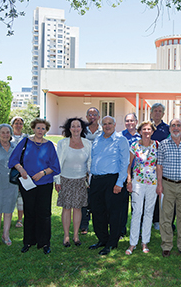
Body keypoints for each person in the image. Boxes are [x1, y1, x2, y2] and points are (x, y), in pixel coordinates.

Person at [8, 118, 60, 255]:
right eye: (38, 128)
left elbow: (55, 166)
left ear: (46, 130)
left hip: (45, 183)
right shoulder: (25, 142)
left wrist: (42, 173)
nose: (40, 131)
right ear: (33, 128)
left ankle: (45, 243)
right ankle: (28, 241)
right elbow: (13, 159)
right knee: (29, 212)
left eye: (43, 128)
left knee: (44, 213)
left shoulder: (49, 145)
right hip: (28, 183)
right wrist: (21, 170)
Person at [88, 116, 129, 256]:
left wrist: (119, 183)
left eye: (109, 123)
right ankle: (102, 239)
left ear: (115, 124)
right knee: (98, 211)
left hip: (113, 180)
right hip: (96, 180)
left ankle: (112, 243)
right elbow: (93, 160)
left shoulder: (121, 140)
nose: (107, 126)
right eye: (104, 124)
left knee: (114, 213)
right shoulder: (97, 139)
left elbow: (125, 163)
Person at [156, 118, 181, 258]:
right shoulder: (163, 144)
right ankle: (166, 244)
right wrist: (159, 184)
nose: (176, 128)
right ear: (169, 128)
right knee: (166, 215)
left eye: (178, 125)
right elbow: (159, 165)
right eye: (173, 125)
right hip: (167, 184)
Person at [54, 117, 91, 248]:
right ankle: (66, 236)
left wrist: (89, 179)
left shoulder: (87, 143)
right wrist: (57, 180)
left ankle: (76, 235)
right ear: (69, 129)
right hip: (65, 179)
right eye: (73, 126)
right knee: (66, 208)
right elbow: (57, 162)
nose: (76, 128)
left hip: (81, 180)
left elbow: (90, 163)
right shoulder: (63, 143)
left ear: (82, 128)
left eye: (78, 126)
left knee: (78, 208)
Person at [125, 121, 158, 255]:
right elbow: (129, 164)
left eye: (149, 129)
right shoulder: (134, 146)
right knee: (137, 212)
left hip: (152, 183)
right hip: (137, 182)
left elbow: (159, 165)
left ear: (152, 131)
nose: (146, 131)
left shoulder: (157, 145)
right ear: (140, 131)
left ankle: (145, 242)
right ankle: (132, 243)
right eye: (144, 129)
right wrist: (129, 180)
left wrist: (160, 183)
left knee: (149, 212)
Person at [81, 107, 103, 235]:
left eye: (95, 114)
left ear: (98, 117)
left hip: (99, 168)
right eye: (90, 114)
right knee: (84, 198)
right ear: (87, 117)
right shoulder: (82, 130)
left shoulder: (103, 130)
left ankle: (98, 224)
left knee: (97, 198)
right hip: (83, 168)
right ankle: (84, 225)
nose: (92, 117)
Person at [120, 113, 141, 239]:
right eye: (127, 121)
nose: (129, 123)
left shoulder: (141, 136)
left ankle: (136, 231)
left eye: (132, 120)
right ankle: (121, 230)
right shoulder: (120, 136)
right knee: (122, 203)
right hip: (123, 172)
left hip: (138, 173)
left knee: (136, 203)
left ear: (136, 121)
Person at [150, 103, 169, 229]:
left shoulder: (167, 128)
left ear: (163, 114)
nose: (157, 113)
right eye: (155, 111)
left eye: (160, 111)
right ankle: (146, 219)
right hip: (146, 166)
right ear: (151, 113)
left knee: (159, 192)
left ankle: (157, 219)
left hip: (162, 165)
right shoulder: (146, 126)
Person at [11, 116, 29, 228]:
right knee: (11, 194)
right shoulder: (8, 137)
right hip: (11, 169)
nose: (18, 125)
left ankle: (20, 219)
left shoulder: (27, 138)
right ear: (12, 125)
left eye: (20, 123)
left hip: (24, 169)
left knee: (22, 195)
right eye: (16, 123)